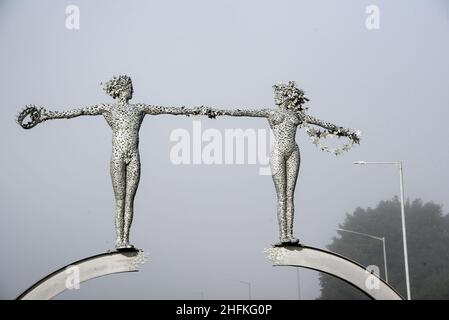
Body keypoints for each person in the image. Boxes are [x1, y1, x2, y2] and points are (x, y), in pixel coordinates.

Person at [17, 75, 208, 249]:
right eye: (130, 87)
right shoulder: (107, 109)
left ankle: (126, 238)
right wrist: (48, 114)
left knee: (129, 200)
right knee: (120, 200)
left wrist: (198, 110)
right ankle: (119, 239)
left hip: (133, 156)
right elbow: (79, 111)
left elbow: (168, 110)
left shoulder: (139, 108)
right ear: (122, 89)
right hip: (117, 156)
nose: (133, 91)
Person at [205, 81, 360, 245]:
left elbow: (322, 123)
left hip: (293, 152)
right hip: (278, 153)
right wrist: (215, 111)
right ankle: (282, 235)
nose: (276, 97)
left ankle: (290, 234)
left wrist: (345, 132)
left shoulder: (297, 115)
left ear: (287, 96)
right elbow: (241, 112)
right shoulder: (270, 113)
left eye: (279, 94)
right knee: (281, 196)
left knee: (290, 195)